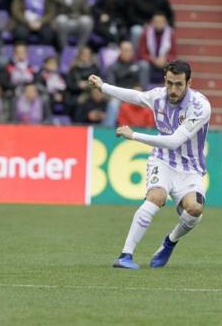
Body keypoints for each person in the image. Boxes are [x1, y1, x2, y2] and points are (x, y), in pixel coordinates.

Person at [88, 60, 212, 270]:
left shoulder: (200, 107)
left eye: (179, 85)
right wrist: (103, 86)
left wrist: (134, 135)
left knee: (195, 209)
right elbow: (135, 96)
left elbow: (174, 140)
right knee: (156, 197)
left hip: (190, 168)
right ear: (165, 80)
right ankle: (125, 255)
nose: (173, 90)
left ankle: (170, 242)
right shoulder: (158, 96)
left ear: (189, 83)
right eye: (170, 83)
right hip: (162, 160)